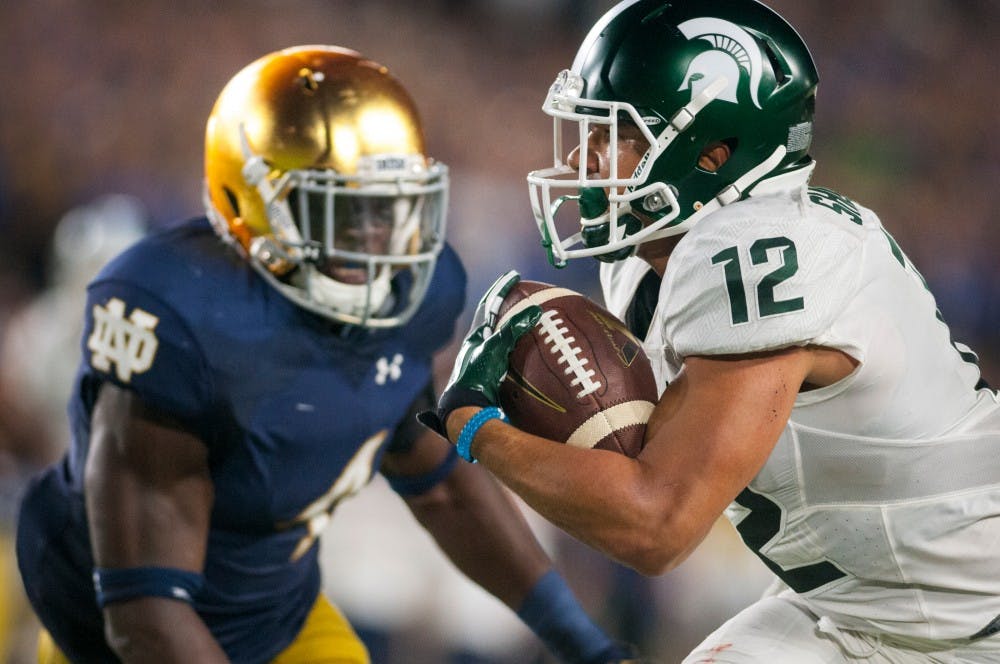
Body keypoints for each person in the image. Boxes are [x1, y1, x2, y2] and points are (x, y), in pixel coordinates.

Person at [15, 45, 634, 664]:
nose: (377, 239)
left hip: (273, 616)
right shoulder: (183, 323)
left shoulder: (411, 299)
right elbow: (145, 614)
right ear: (254, 203)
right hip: (108, 635)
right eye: (345, 209)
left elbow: (440, 486)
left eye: (390, 205)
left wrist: (585, 645)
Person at [420, 1, 1000, 662]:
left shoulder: (762, 251)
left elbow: (656, 525)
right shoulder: (655, 263)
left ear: (711, 153)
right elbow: (637, 467)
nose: (583, 161)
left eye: (614, 136)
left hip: (974, 616)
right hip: (854, 603)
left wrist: (477, 429)